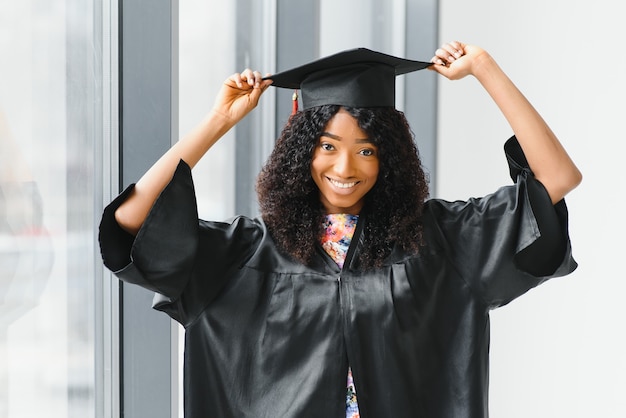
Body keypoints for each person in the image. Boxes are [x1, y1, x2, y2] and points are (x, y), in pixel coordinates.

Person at [99, 41, 582, 417]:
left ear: (389, 157)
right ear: (301, 151)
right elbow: (132, 225)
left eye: (367, 149)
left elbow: (558, 178)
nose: (346, 166)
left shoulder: (440, 241)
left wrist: (484, 69)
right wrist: (216, 121)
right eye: (327, 146)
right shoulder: (244, 255)